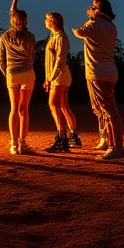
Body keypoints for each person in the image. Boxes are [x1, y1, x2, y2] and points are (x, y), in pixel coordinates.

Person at [72, 0, 124, 160]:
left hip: (98, 71)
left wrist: (91, 17)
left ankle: (117, 147)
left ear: (98, 9)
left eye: (92, 6)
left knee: (109, 111)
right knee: (104, 110)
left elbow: (77, 31)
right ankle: (110, 143)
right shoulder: (111, 25)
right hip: (108, 70)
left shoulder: (93, 24)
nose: (90, 8)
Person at [0, 0, 37, 154]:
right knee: (24, 110)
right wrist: (14, 5)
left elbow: (0, 59)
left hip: (12, 74)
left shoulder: (5, 36)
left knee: (14, 109)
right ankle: (23, 143)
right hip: (28, 73)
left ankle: (14, 144)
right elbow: (32, 57)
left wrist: (6, 73)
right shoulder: (30, 36)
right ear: (26, 21)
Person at [42, 10, 80, 152]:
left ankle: (62, 138)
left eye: (47, 20)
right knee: (62, 106)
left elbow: (60, 60)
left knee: (53, 104)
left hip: (59, 76)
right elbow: (50, 61)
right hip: (56, 75)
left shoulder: (61, 37)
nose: (45, 22)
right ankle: (70, 137)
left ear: (52, 21)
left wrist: (51, 78)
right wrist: (47, 78)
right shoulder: (55, 37)